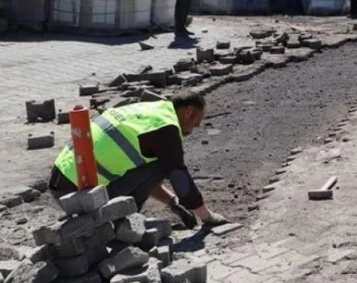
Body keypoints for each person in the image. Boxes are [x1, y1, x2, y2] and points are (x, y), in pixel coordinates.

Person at [47, 93, 227, 228]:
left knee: (158, 163)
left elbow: (140, 174)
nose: (192, 131)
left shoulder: (149, 111)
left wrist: (173, 203)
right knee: (164, 165)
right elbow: (179, 178)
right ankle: (119, 224)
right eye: (195, 124)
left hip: (62, 181)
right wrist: (207, 217)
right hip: (80, 194)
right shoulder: (166, 127)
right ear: (188, 111)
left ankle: (115, 220)